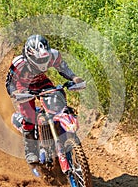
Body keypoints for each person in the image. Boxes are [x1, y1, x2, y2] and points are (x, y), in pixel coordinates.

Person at [5, 34, 84, 164]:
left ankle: (60, 135)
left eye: (44, 59)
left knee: (58, 105)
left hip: (42, 82)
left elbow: (63, 68)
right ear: (29, 56)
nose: (43, 63)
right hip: (23, 86)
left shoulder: (53, 55)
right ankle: (30, 150)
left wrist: (74, 78)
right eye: (39, 60)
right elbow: (9, 83)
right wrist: (16, 93)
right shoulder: (18, 63)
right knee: (29, 115)